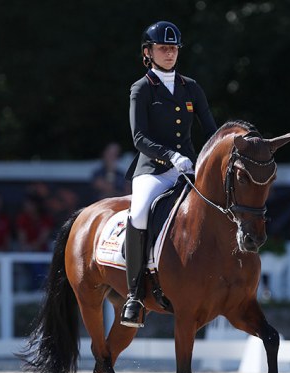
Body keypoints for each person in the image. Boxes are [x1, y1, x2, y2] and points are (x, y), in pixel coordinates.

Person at [121, 20, 217, 327]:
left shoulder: (191, 87)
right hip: (153, 170)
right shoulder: (141, 89)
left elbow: (212, 130)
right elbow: (139, 138)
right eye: (163, 49)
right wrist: (171, 155)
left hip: (187, 169)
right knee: (138, 214)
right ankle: (135, 295)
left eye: (173, 48)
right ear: (148, 52)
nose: (169, 54)